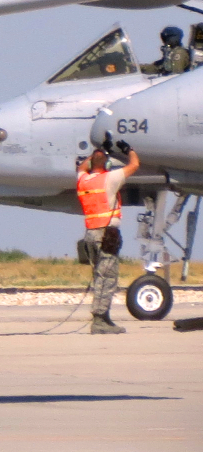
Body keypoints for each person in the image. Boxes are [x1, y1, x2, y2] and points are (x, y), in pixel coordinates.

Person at [76, 143, 140, 333]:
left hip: (90, 235)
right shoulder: (109, 178)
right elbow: (134, 165)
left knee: (99, 277)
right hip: (107, 235)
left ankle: (104, 318)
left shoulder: (82, 179)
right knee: (107, 278)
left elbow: (81, 168)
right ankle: (100, 320)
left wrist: (95, 153)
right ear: (108, 163)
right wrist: (129, 150)